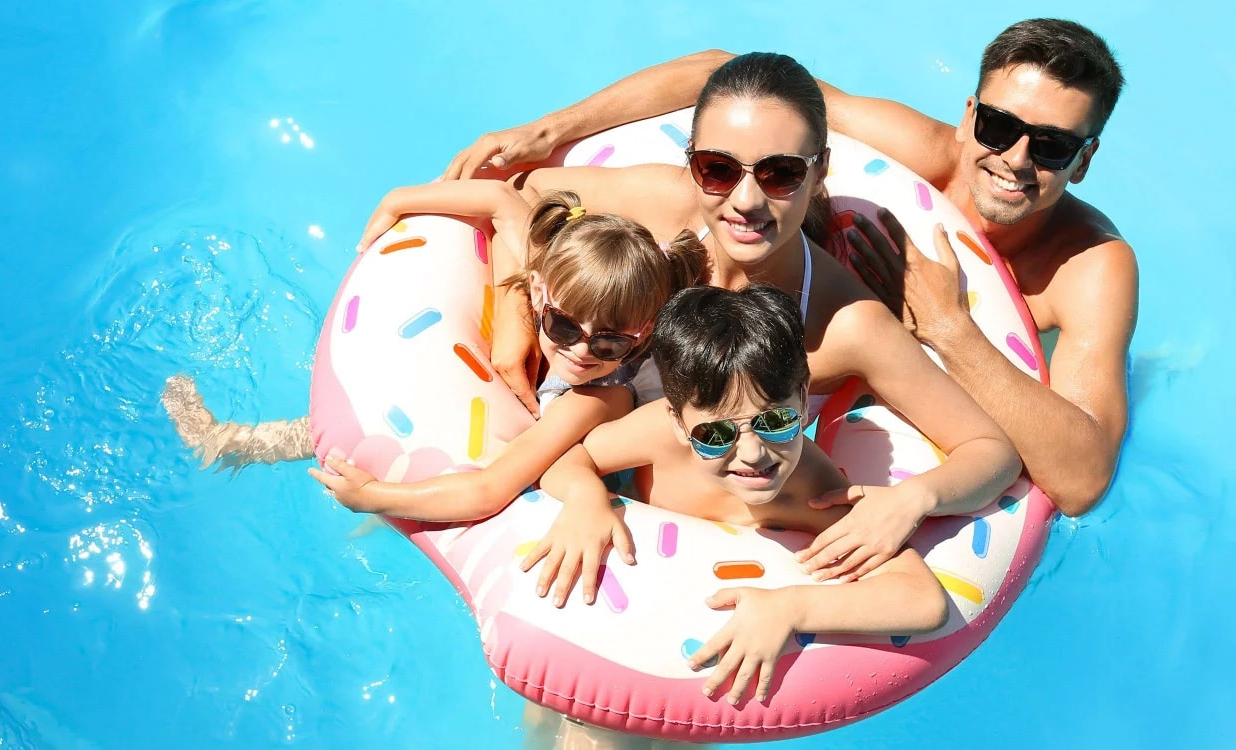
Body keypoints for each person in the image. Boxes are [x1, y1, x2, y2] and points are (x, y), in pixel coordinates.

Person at [444, 19, 1136, 517]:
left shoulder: (1088, 266)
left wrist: (950, 327)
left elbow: (1078, 480)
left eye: (1049, 145)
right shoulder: (905, 155)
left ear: (1086, 156)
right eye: (997, 128)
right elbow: (728, 76)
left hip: (886, 364)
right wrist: (550, 132)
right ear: (969, 116)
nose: (1014, 159)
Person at [446, 52, 1021, 589]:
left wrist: (911, 500)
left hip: (702, 532)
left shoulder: (842, 324)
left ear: (820, 173)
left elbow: (990, 452)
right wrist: (517, 330)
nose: (745, 200)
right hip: (580, 474)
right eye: (718, 169)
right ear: (692, 163)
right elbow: (531, 191)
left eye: (779, 175)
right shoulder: (665, 209)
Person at [526, 285, 953, 747]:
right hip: (625, 618)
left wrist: (791, 608)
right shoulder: (660, 437)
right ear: (677, 420)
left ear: (804, 400)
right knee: (553, 723)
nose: (752, 454)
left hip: (691, 667)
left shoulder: (811, 489)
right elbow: (565, 460)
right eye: (714, 433)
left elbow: (922, 601)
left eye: (776, 422)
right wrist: (586, 498)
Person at [165, 182, 704, 527]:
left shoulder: (600, 395)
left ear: (645, 332)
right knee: (375, 412)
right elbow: (503, 204)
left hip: (573, 459)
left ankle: (236, 444)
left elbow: (491, 489)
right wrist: (399, 200)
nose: (582, 350)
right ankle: (233, 442)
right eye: (562, 326)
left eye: (609, 341)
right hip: (503, 388)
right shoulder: (557, 278)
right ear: (539, 293)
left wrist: (375, 497)